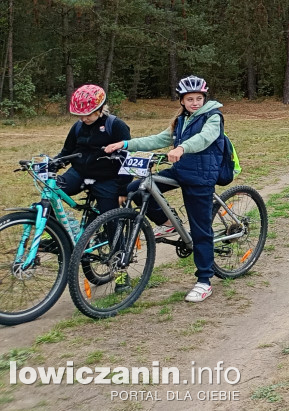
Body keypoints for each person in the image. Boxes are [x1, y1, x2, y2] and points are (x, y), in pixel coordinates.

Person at [104, 75, 222, 303]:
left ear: (205, 98)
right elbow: (158, 140)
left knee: (200, 229)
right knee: (137, 188)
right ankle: (168, 224)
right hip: (180, 171)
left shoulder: (213, 116)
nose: (195, 102)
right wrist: (125, 144)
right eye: (190, 99)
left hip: (201, 176)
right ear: (182, 101)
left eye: (199, 98)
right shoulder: (181, 120)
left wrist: (182, 148)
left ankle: (204, 281)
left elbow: (205, 138)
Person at [56, 85, 131, 216]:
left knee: (110, 219)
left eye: (87, 115)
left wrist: (123, 190)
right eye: (79, 115)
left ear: (100, 108)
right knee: (52, 192)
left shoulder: (116, 125)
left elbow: (127, 159)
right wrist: (52, 164)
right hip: (79, 172)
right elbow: (67, 152)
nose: (83, 119)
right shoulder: (78, 126)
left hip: (107, 178)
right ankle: (53, 230)